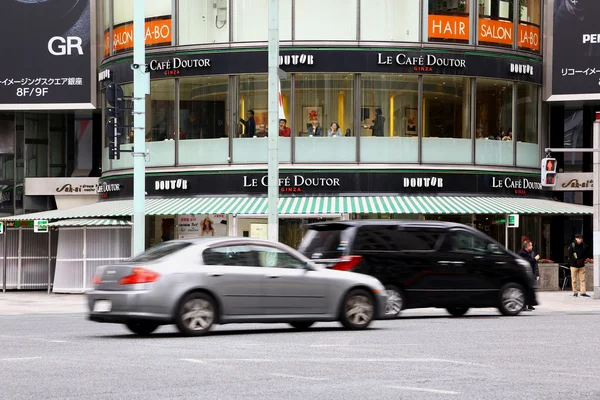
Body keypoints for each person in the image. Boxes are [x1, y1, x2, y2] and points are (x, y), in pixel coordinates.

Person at [518, 240, 539, 311]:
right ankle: (524, 306)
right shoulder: (523, 253)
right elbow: (528, 262)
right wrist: (535, 259)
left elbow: (534, 264)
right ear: (527, 246)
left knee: (530, 289)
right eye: (531, 245)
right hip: (525, 274)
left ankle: (530, 304)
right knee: (525, 289)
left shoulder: (530, 252)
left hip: (530, 273)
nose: (532, 246)